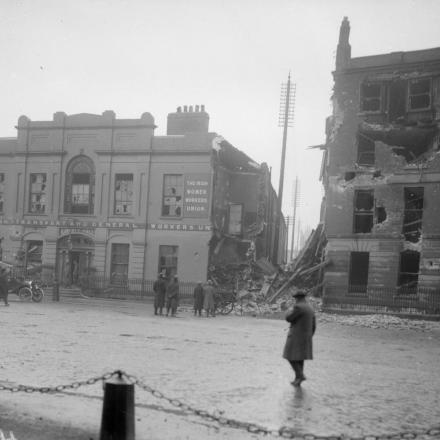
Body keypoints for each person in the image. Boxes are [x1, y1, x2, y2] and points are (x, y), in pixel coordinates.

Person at [282, 289, 316, 387]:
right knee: (300, 359)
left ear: (297, 298)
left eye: (295, 298)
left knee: (289, 357)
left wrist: (289, 310)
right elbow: (314, 325)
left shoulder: (298, 307)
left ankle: (300, 375)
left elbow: (289, 318)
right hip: (306, 337)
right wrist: (310, 335)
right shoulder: (310, 308)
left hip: (296, 337)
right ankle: (297, 379)